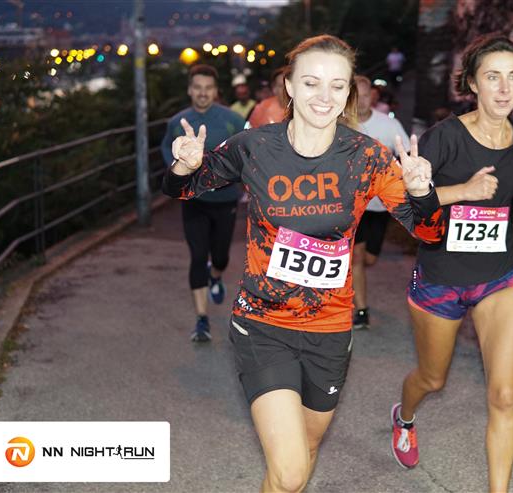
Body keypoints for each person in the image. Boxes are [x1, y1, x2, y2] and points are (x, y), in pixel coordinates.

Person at [163, 35, 443, 493]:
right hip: (263, 323)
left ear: (348, 93)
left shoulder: (367, 156)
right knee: (292, 471)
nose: (324, 96)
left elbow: (429, 232)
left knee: (301, 455)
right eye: (311, 83)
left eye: (337, 85)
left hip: (329, 329)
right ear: (290, 87)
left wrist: (421, 193)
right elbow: (180, 190)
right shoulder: (255, 147)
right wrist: (184, 166)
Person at [390, 34, 513, 493]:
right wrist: (462, 192)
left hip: (501, 275)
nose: (504, 88)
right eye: (493, 77)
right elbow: (404, 203)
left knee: (505, 395)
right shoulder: (445, 137)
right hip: (442, 278)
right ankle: (404, 417)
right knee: (432, 379)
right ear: (472, 83)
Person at [160, 64, 245, 343]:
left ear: (216, 91)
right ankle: (201, 319)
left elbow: (245, 151)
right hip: (193, 201)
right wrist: (178, 169)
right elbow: (166, 148)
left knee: (220, 257)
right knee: (198, 256)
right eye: (197, 87)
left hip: (225, 199)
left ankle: (216, 275)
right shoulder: (178, 122)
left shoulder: (233, 119)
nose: (203, 93)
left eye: (208, 88)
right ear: (189, 90)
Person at [351, 75, 411, 330]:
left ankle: (353, 283)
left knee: (369, 259)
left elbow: (407, 153)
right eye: (357, 96)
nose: (361, 101)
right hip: (352, 205)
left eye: (366, 95)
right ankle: (361, 310)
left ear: (373, 97)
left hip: (379, 205)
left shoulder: (388, 124)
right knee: (356, 258)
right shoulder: (340, 123)